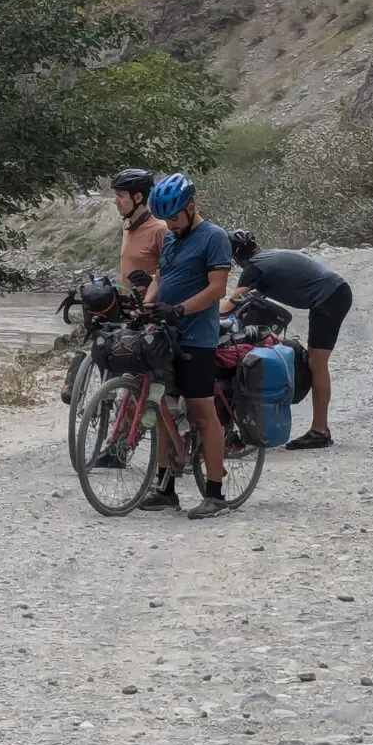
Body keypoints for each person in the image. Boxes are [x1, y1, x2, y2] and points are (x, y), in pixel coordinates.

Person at [141, 174, 233, 520]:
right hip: (168, 334)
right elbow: (160, 278)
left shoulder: (214, 237)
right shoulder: (170, 239)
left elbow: (217, 289)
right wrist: (148, 306)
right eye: (165, 218)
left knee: (201, 412)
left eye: (175, 217)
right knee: (163, 408)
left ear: (191, 207)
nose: (169, 224)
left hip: (197, 336)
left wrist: (179, 309)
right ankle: (166, 490)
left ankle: (215, 494)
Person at [226, 231, 351, 450]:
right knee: (316, 362)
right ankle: (319, 429)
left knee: (317, 363)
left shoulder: (254, 268)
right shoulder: (266, 258)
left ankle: (320, 431)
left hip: (329, 297)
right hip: (335, 292)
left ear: (235, 255)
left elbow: (231, 304)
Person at [110, 168, 167, 294]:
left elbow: (175, 272)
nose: (116, 201)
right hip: (129, 308)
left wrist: (151, 280)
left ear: (138, 197)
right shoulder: (128, 226)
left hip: (150, 309)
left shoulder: (160, 229)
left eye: (120, 196)